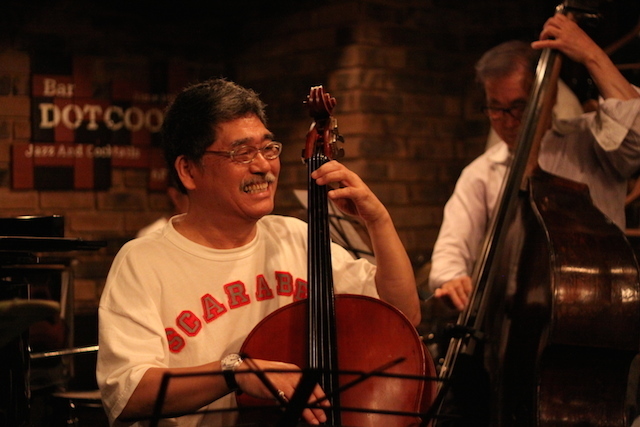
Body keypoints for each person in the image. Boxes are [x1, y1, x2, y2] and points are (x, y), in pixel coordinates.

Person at [96, 78, 420, 427]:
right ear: (188, 171)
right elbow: (128, 395)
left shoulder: (296, 238)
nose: (264, 166)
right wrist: (235, 372)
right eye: (242, 153)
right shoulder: (143, 261)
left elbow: (402, 314)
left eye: (268, 148)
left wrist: (378, 220)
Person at [428, 14, 640, 311]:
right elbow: (449, 252)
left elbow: (636, 137)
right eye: (495, 108)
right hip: (510, 319)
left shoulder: (591, 142)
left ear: (548, 96)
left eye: (518, 107)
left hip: (599, 310)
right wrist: (452, 279)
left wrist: (591, 56)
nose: (508, 121)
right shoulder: (480, 172)